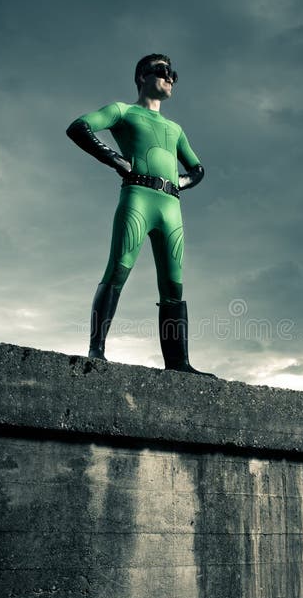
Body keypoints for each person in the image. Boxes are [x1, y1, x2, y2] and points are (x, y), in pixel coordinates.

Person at [66, 53, 214, 376]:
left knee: (174, 287)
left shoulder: (175, 129)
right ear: (141, 76)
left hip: (171, 206)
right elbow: (79, 127)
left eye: (173, 72)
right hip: (137, 197)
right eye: (162, 70)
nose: (170, 77)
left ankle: (178, 364)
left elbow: (198, 168)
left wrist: (182, 182)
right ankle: (96, 350)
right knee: (118, 269)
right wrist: (115, 159)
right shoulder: (124, 111)